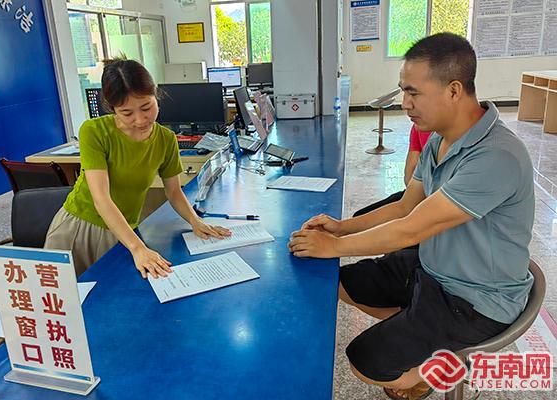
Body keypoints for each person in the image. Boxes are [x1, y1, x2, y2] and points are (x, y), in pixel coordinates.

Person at [288, 33, 534, 400]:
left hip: (475, 299)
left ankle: (445, 364)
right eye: (404, 91)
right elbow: (405, 206)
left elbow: (410, 228)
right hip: (434, 269)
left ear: (454, 90)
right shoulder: (438, 139)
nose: (405, 103)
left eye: (413, 92)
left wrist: (335, 245)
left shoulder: (496, 156)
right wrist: (341, 228)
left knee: (365, 363)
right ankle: (417, 332)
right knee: (338, 283)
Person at [45, 58, 230, 278]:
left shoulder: (166, 139)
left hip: (124, 230)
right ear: (112, 108)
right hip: (80, 228)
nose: (141, 119)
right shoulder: (94, 131)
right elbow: (101, 198)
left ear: (156, 96)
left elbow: (174, 192)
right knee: (63, 294)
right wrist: (137, 248)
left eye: (146, 107)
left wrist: (195, 221)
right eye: (127, 113)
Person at [352, 124, 431, 218]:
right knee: (359, 216)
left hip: (433, 202)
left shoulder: (428, 131)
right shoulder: (419, 127)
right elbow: (410, 172)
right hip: (418, 195)